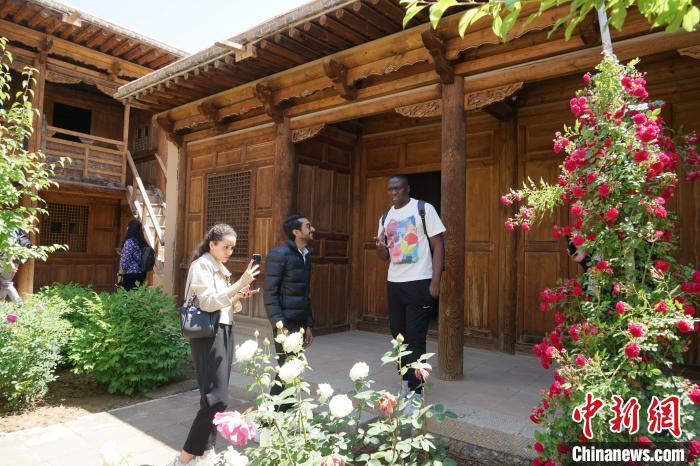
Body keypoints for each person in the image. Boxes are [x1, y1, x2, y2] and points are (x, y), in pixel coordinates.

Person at [168, 224, 259, 466]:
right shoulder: (202, 265)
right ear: (212, 244)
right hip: (208, 334)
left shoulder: (220, 267)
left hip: (224, 331)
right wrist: (239, 283)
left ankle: (207, 451)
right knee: (216, 399)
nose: (230, 251)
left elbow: (225, 303)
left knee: (212, 398)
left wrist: (238, 294)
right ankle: (184, 458)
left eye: (233, 247)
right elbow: (207, 303)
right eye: (226, 246)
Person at [375, 174, 445, 401]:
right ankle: (405, 381)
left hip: (419, 281)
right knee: (397, 335)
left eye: (398, 188)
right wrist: (380, 245)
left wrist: (435, 281)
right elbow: (383, 256)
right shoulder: (386, 216)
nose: (394, 192)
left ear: (408, 189)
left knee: (415, 337)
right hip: (394, 282)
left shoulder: (424, 209)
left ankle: (416, 390)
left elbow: (438, 245)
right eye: (391, 189)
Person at [264, 214, 315, 409]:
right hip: (285, 323)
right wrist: (279, 325)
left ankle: (285, 412)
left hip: (300, 323)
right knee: (285, 370)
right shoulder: (279, 255)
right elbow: (270, 292)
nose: (312, 229)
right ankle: (270, 416)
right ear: (296, 232)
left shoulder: (306, 256)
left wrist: (308, 324)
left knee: (294, 369)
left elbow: (305, 294)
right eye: (308, 226)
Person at [0, 229, 31, 303]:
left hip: (7, 260)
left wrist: (10, 262)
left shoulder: (7, 230)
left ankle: (18, 302)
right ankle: (1, 302)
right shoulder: (18, 230)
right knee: (6, 282)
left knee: (6, 282)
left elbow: (9, 248)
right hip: (16, 260)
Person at [119, 219, 147, 291]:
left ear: (130, 229)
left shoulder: (130, 242)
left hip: (131, 274)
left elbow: (125, 261)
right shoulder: (143, 242)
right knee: (138, 295)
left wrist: (120, 273)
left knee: (129, 296)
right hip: (142, 274)